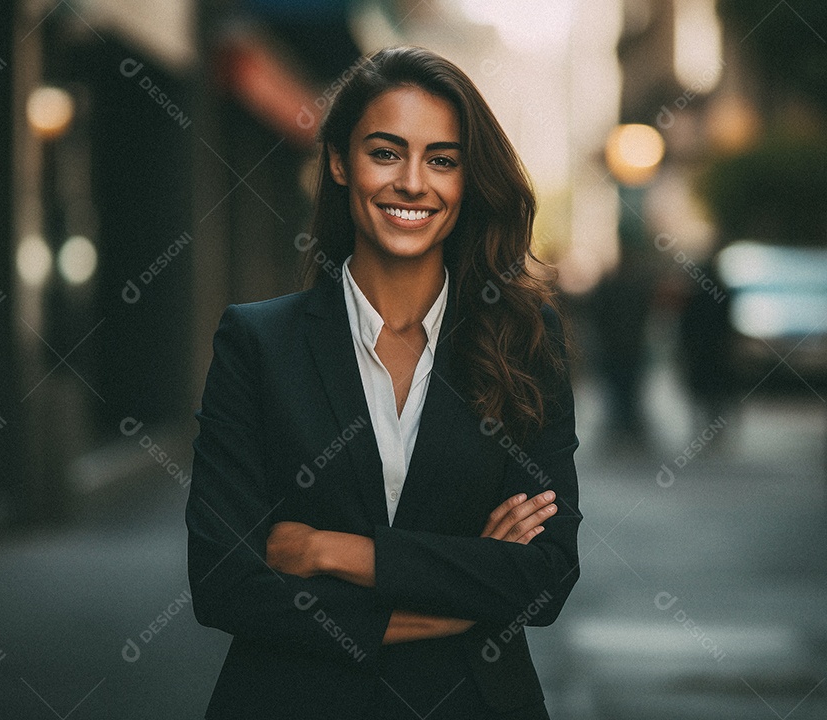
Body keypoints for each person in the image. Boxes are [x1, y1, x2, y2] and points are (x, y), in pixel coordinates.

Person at [186, 45, 581, 720]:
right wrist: (468, 590)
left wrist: (332, 550)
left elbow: (544, 577)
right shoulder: (257, 344)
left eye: (443, 160)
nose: (413, 182)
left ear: (467, 179)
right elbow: (226, 584)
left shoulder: (523, 341)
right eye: (386, 153)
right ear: (340, 162)